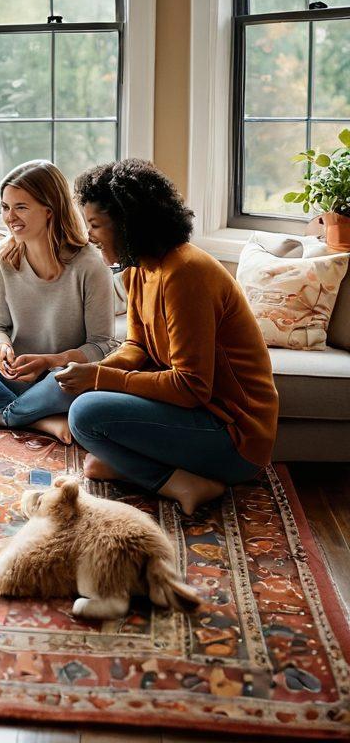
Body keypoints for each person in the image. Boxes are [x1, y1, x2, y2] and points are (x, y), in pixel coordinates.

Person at [60, 159, 279, 515]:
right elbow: (138, 346)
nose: (89, 236)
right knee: (81, 399)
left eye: (96, 225)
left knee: (85, 414)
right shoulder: (138, 270)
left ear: (128, 224)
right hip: (197, 417)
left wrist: (100, 378)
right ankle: (136, 469)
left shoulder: (185, 274)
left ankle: (182, 482)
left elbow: (192, 388)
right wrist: (93, 375)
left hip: (235, 435)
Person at [0, 160, 116, 443]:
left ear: (49, 210)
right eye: (5, 207)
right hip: (16, 376)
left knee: (74, 391)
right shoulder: (4, 256)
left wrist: (50, 361)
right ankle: (40, 420)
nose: (9, 217)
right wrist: (1, 347)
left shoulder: (90, 264)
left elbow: (102, 346)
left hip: (61, 378)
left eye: (21, 207)